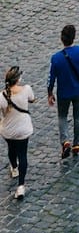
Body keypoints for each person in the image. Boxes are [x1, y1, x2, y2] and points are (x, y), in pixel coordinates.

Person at [46, 24, 79, 161]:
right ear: (73, 38)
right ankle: (76, 143)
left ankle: (65, 141)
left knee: (62, 117)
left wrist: (50, 93)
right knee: (77, 117)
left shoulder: (56, 58)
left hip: (63, 93)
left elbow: (51, 78)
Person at [1, 63, 35, 199]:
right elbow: (32, 99)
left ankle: (14, 168)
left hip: (8, 130)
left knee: (11, 149)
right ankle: (21, 186)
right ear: (18, 79)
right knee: (23, 154)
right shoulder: (26, 89)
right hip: (23, 129)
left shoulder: (1, 96)